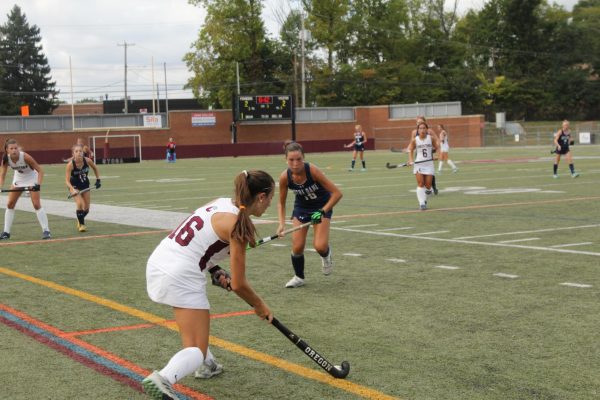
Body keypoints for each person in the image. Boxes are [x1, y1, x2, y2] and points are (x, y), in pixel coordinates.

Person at [142, 170, 275, 399]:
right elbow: (240, 284)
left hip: (159, 261)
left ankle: (208, 365)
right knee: (196, 349)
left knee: (194, 335)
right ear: (261, 196)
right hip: (182, 274)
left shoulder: (221, 202)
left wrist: (214, 270)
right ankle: (163, 378)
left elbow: (201, 241)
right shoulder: (240, 226)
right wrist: (259, 305)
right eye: (270, 197)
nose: (270, 204)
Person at [277, 141, 343, 288]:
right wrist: (281, 224)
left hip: (321, 207)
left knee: (320, 246)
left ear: (304, 157)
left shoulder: (312, 171)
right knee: (297, 246)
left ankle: (326, 255)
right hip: (301, 209)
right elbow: (281, 203)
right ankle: (299, 277)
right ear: (285, 160)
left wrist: (322, 211)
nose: (295, 164)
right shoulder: (284, 177)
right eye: (291, 160)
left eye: (298, 159)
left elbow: (337, 194)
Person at [0, 138, 51, 240]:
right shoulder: (6, 158)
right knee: (10, 204)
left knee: (36, 204)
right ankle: (6, 232)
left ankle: (46, 231)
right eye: (12, 148)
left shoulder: (25, 157)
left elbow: (40, 171)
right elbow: (3, 174)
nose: (14, 150)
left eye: (16, 148)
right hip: (19, 178)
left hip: (32, 177)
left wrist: (38, 184)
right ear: (7, 150)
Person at [65, 144, 101, 232]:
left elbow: (95, 168)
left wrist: (98, 180)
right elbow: (67, 181)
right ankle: (82, 225)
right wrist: (72, 189)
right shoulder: (70, 165)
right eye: (76, 151)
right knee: (80, 204)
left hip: (84, 184)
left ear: (83, 152)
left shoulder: (87, 161)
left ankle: (79, 218)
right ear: (73, 154)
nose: (79, 153)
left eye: (80, 151)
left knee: (87, 209)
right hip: (74, 186)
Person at [407, 122, 440, 210]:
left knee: (428, 186)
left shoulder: (431, 138)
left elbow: (437, 148)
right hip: (419, 164)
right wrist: (410, 160)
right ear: (418, 130)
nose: (422, 130)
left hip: (429, 164)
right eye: (420, 128)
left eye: (424, 128)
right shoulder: (415, 140)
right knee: (421, 183)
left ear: (427, 129)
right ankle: (422, 203)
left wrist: (437, 155)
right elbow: (410, 149)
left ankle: (424, 198)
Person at [411, 116, 439, 194]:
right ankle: (422, 190)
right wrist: (409, 150)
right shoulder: (414, 132)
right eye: (418, 122)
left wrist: (436, 150)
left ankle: (432, 187)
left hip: (428, 152)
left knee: (429, 171)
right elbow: (412, 143)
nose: (419, 123)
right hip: (419, 153)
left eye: (421, 122)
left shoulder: (429, 131)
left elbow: (436, 140)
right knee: (420, 173)